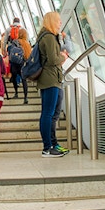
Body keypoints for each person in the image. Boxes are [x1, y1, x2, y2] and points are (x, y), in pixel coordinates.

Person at [36, 11, 68, 158]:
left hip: (54, 78)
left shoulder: (52, 36)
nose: (60, 22)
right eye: (58, 20)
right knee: (48, 113)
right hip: (49, 79)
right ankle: (47, 147)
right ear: (52, 21)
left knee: (54, 114)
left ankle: (54, 144)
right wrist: (63, 57)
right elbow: (52, 59)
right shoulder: (48, 37)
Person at [4, 27, 32, 102]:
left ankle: (16, 93)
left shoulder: (15, 42)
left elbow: (11, 53)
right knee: (24, 80)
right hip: (23, 64)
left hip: (15, 63)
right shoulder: (27, 44)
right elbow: (29, 56)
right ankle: (25, 97)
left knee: (14, 78)